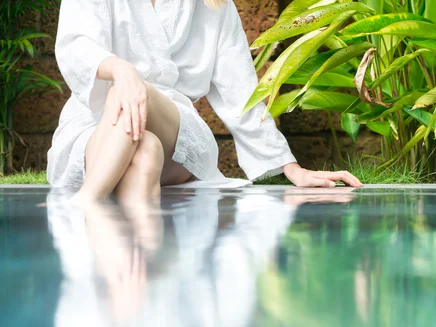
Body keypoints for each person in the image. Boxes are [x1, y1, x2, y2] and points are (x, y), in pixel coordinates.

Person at [46, 0, 363, 205]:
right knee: (145, 151)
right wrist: (120, 68)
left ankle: (86, 203)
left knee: (128, 93)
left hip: (179, 139)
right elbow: (76, 45)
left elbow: (240, 93)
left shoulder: (214, 6)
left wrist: (289, 167)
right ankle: (142, 289)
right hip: (93, 134)